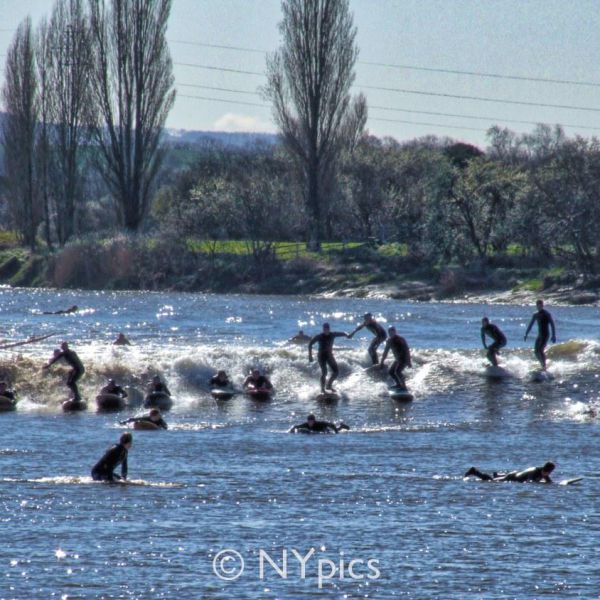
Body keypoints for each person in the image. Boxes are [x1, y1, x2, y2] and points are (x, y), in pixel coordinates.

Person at [308, 323, 349, 393]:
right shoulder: (319, 336)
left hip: (329, 355)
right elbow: (310, 344)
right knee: (324, 373)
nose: (326, 330)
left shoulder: (332, 334)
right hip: (321, 356)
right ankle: (322, 389)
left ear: (329, 329)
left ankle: (329, 385)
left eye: (327, 329)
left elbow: (343, 333)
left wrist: (347, 334)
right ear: (323, 329)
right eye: (324, 329)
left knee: (336, 372)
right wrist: (310, 356)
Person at [524, 299, 557, 370]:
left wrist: (554, 335)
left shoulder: (547, 314)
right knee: (536, 351)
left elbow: (552, 324)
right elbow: (530, 324)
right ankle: (542, 364)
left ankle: (544, 366)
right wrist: (526, 334)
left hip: (545, 335)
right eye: (538, 305)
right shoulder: (535, 315)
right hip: (540, 335)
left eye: (541, 305)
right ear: (536, 306)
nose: (539, 306)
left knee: (540, 350)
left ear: (543, 305)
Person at [464, 462, 555, 483]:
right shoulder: (534, 471)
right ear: (547, 470)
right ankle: (475, 471)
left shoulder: (544, 474)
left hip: (515, 475)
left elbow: (549, 482)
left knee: (493, 480)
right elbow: (530, 481)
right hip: (512, 477)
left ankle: (475, 472)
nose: (549, 474)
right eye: (550, 472)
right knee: (492, 481)